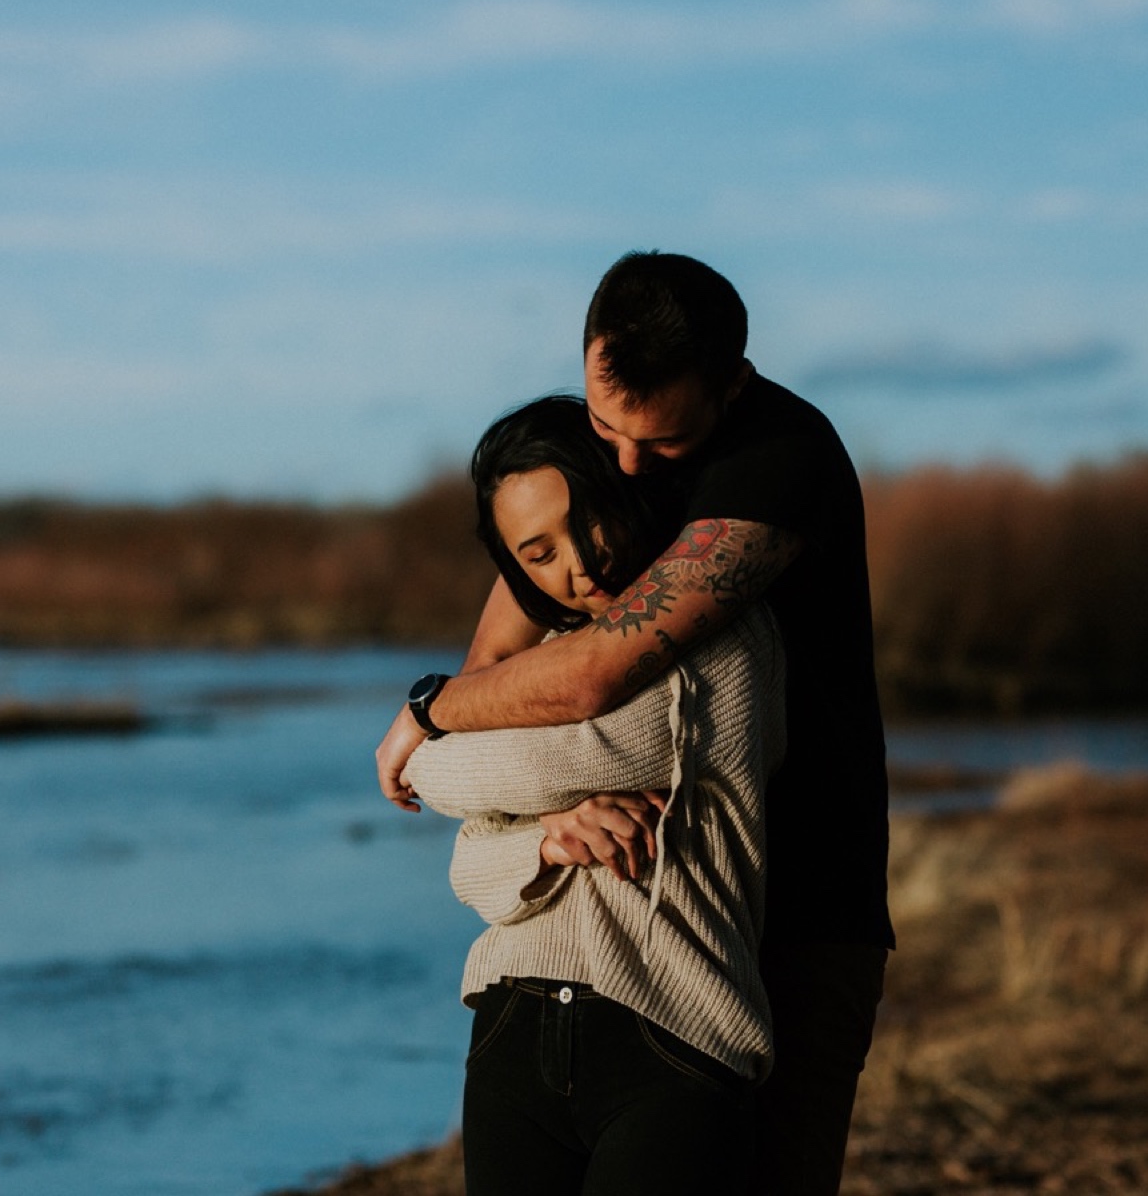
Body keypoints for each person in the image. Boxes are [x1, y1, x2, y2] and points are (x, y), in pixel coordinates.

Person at [377, 252, 893, 1196]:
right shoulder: (600, 473)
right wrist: (533, 822)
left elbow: (587, 682)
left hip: (799, 907)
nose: (622, 464)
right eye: (602, 425)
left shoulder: (779, 458)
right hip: (604, 944)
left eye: (658, 446)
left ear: (729, 387)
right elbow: (495, 674)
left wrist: (426, 715)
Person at [404, 394, 785, 1195]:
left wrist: (434, 736)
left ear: (625, 487)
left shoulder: (717, 633)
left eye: (588, 521)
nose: (578, 565)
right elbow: (469, 869)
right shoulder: (539, 663)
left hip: (672, 1039)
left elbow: (579, 747)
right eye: (538, 555)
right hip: (512, 1029)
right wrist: (547, 835)